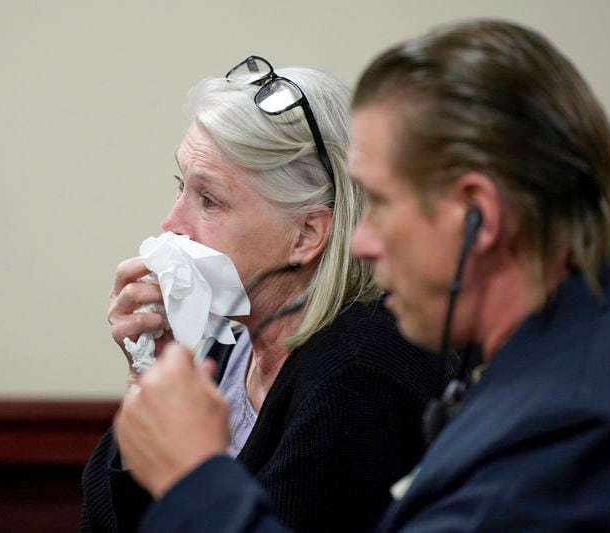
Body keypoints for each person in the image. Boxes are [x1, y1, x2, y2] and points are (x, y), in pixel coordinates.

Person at [112, 21, 610, 532]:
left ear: (479, 216)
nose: (360, 239)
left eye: (381, 204)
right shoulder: (556, 363)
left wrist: (196, 479)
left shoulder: (597, 423)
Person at [81, 57, 449, 532]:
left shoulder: (358, 375)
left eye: (208, 200)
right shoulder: (231, 338)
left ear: (306, 234)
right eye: (180, 187)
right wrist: (146, 379)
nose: (171, 225)